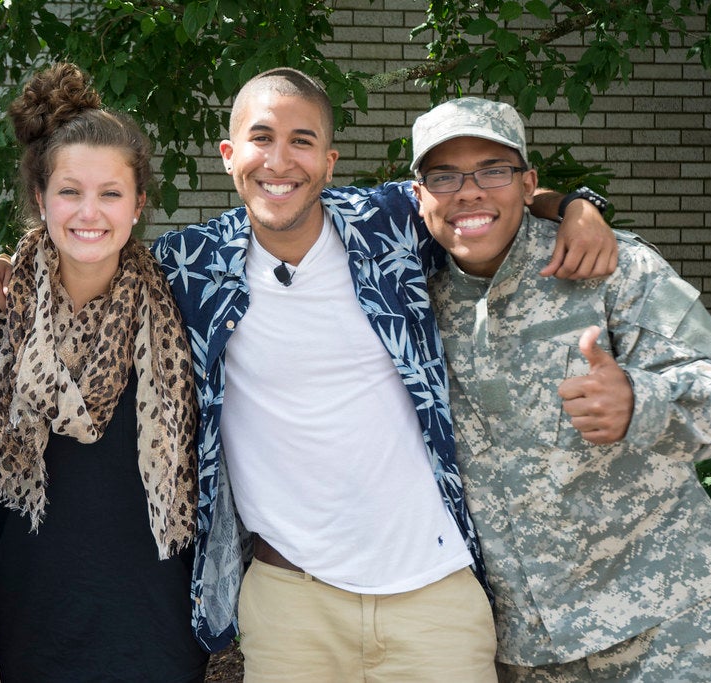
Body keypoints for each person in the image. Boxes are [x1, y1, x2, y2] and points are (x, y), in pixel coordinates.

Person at [149, 67, 616, 681]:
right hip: (291, 601)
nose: (280, 160)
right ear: (230, 155)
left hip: (434, 592)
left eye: (303, 140)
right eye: (261, 138)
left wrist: (578, 205)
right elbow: (84, 253)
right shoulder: (189, 264)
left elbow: (479, 195)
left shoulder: (387, 223)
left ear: (330, 160)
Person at [414, 96, 711, 681]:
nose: (468, 191)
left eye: (494, 170)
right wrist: (569, 202)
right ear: (420, 194)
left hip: (669, 619)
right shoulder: (409, 297)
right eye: (444, 175)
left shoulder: (615, 266)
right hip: (525, 648)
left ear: (527, 181)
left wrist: (644, 401)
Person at [0, 61, 209, 682]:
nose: (89, 212)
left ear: (138, 206)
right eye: (70, 191)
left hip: (152, 629)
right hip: (22, 626)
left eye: (111, 193)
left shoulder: (186, 310)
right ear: (40, 199)